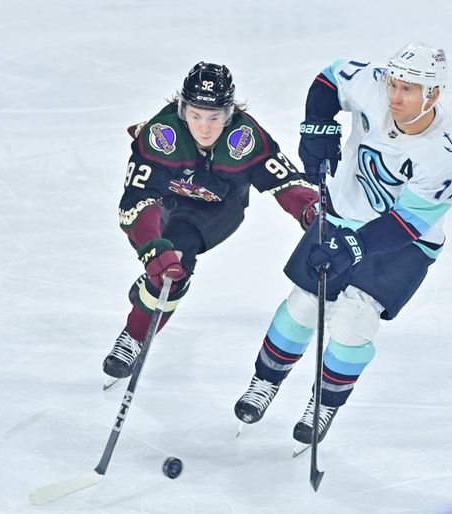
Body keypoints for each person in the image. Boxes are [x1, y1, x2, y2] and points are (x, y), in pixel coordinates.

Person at [233, 43, 452, 445]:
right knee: (303, 304)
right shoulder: (373, 85)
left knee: (354, 318)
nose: (395, 96)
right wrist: (316, 126)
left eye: (410, 89)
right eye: (395, 84)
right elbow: (329, 79)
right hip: (343, 214)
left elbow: (406, 224)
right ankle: (264, 382)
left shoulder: (446, 155)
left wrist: (352, 248)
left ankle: (324, 402)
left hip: (405, 242)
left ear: (434, 95)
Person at [103, 62, 318, 379]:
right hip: (162, 203)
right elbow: (135, 203)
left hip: (215, 210)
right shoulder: (161, 135)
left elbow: (285, 182)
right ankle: (141, 317)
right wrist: (152, 249)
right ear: (182, 109)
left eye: (214, 117)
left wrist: (309, 209)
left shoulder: (246, 139)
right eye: (195, 115)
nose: (204, 127)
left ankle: (141, 322)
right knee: (162, 259)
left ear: (230, 113)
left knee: (175, 266)